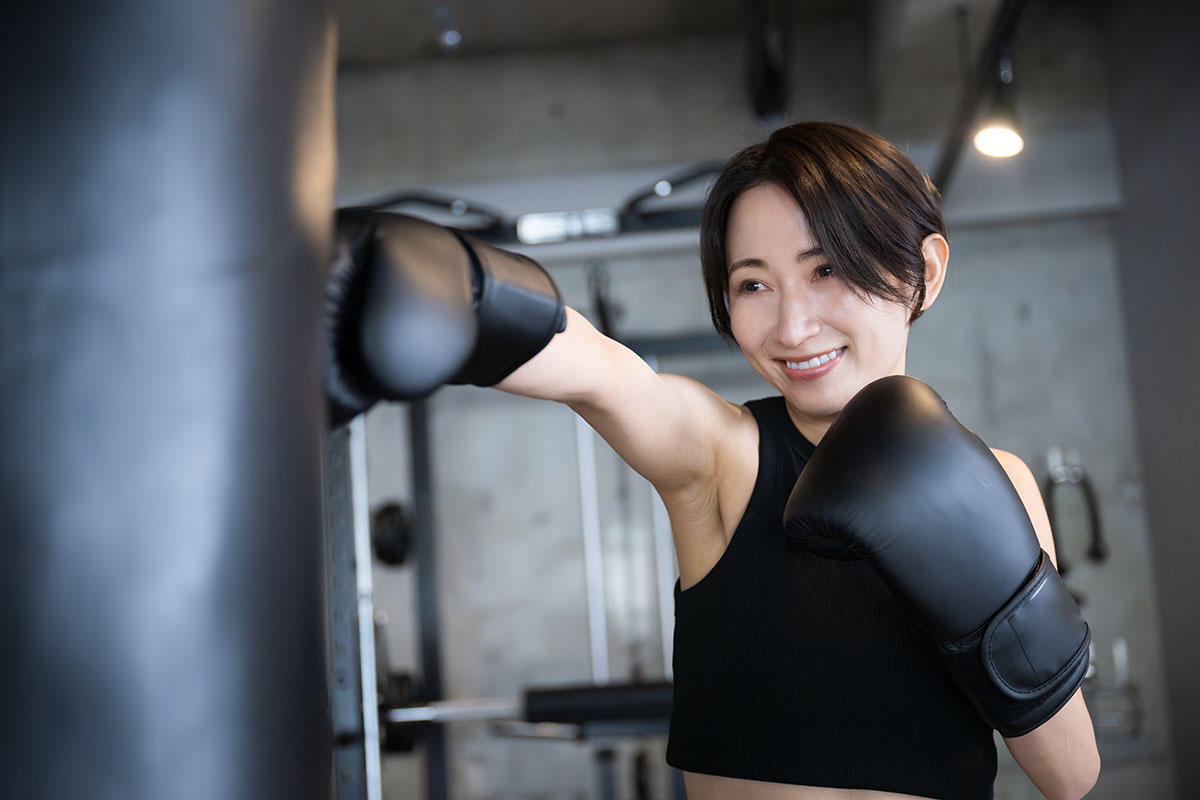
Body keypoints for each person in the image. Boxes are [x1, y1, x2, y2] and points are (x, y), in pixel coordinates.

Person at [327, 121, 1100, 799]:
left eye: (826, 268)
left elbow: (1070, 775)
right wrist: (462, 292)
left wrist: (979, 576)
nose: (793, 325)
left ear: (924, 271)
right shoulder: (722, 454)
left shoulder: (1004, 484)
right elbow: (598, 371)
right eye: (752, 284)